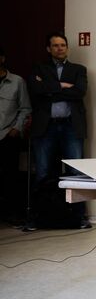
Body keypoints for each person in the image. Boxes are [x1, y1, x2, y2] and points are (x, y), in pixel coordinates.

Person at [27, 32, 89, 230]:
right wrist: (62, 86)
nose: (60, 48)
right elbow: (36, 90)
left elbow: (79, 92)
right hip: (46, 127)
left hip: (71, 126)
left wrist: (50, 89)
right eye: (55, 45)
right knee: (42, 172)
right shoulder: (39, 68)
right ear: (49, 48)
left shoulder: (78, 69)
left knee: (75, 173)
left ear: (67, 48)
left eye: (63, 45)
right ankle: (36, 218)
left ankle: (79, 217)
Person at [0, 47, 32, 226]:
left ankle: (11, 213)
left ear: (2, 59)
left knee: (10, 177)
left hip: (7, 135)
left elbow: (25, 108)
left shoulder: (17, 81)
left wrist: (16, 128)